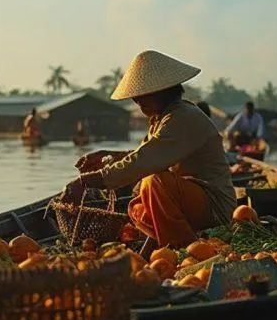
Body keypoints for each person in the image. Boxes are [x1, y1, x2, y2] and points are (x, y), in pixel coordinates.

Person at [62, 50, 236, 248]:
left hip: (214, 205)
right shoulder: (161, 119)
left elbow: (144, 161)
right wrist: (108, 157)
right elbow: (142, 155)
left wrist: (85, 181)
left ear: (161, 92)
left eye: (141, 96)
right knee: (138, 205)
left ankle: (182, 248)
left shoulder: (183, 118)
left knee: (153, 182)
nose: (137, 102)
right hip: (190, 200)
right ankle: (161, 246)